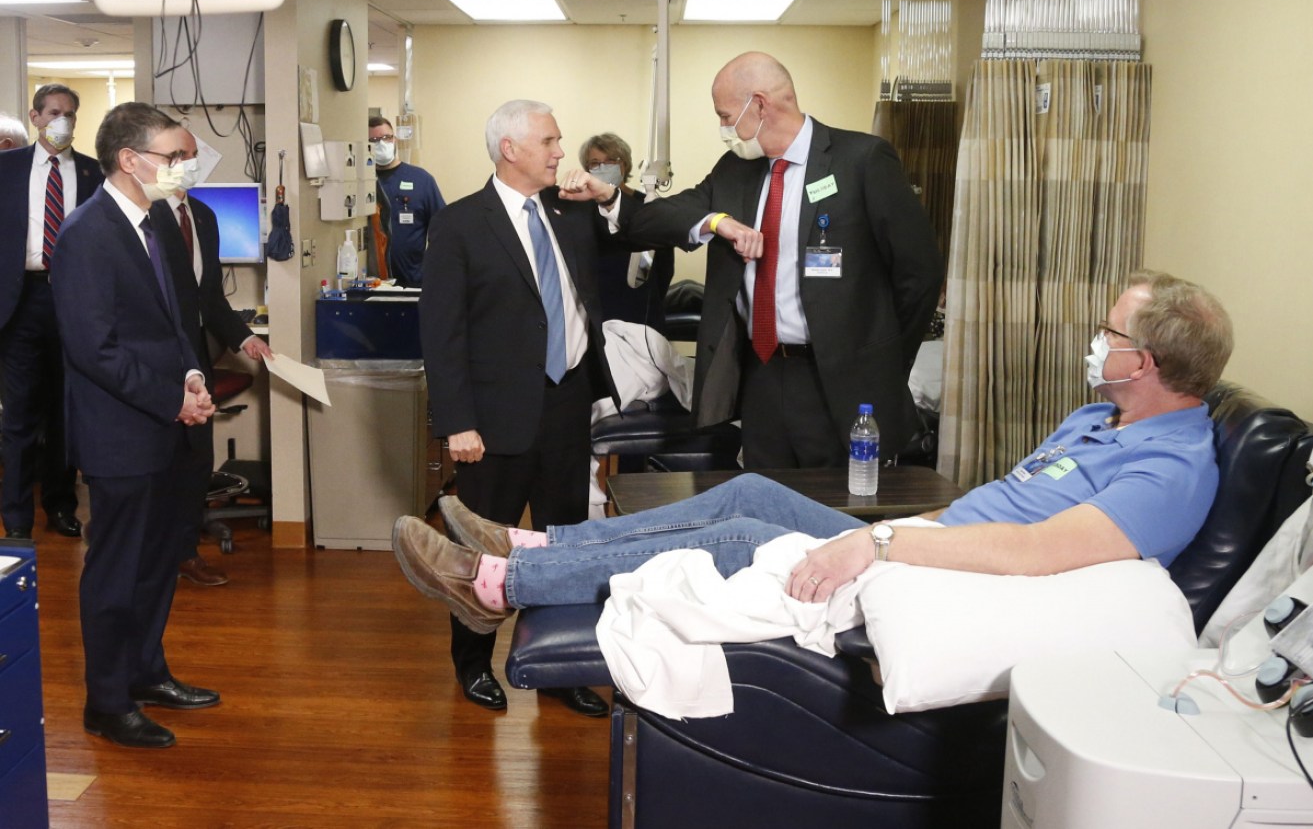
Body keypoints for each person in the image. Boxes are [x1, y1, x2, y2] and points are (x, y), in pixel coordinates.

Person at [395, 270, 1234, 627]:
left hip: (959, 588)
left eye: (1108, 332)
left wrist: (874, 542)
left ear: (1148, 361)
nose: (1095, 342)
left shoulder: (1169, 467)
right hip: (933, 548)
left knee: (734, 544)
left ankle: (500, 587)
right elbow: (987, 508)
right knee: (746, 494)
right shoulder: (1097, 421)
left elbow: (1031, 552)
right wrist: (911, 529)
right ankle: (537, 541)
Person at [419, 99, 637, 718]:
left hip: (566, 402)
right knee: (485, 550)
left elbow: (636, 230)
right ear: (509, 148)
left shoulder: (571, 214)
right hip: (491, 419)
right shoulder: (460, 223)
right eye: (549, 141)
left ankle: (556, 667)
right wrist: (456, 421)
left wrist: (608, 194)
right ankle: (472, 663)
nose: (560, 153)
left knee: (562, 542)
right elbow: (443, 333)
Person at [630, 52, 943, 469]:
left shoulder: (861, 160)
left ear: (759, 105)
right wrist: (718, 222)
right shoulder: (735, 170)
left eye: (726, 116)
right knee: (766, 501)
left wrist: (882, 358)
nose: (724, 128)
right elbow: (653, 219)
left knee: (836, 513)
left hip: (840, 380)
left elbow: (919, 273)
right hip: (763, 372)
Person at [52, 102, 221, 749]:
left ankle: (148, 672)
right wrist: (169, 398)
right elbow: (93, 350)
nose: (184, 168)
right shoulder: (87, 235)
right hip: (122, 432)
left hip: (170, 423)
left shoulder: (154, 222)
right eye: (174, 157)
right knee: (116, 571)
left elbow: (178, 321)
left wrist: (193, 379)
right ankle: (108, 700)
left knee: (158, 562)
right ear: (130, 160)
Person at [151, 126, 274, 587]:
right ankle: (157, 554)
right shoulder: (147, 217)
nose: (186, 162)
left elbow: (211, 298)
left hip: (196, 355)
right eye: (176, 154)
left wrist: (246, 340)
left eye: (191, 154)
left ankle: (185, 553)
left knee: (195, 460)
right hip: (158, 358)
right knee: (159, 461)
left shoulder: (202, 215)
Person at [0, 84, 104, 540]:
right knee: (19, 417)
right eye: (55, 113)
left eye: (70, 115)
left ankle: (60, 505)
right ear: (36, 117)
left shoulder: (93, 173)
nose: (62, 121)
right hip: (19, 300)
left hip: (74, 301)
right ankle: (16, 519)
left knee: (66, 412)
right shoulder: (6, 168)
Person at [579, 132, 673, 331]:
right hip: (595, 310)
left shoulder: (648, 206)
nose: (603, 167)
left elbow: (664, 267)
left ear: (625, 165)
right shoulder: (581, 210)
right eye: (595, 163)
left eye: (611, 161)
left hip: (641, 309)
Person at [367, 115, 445, 287]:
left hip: (414, 281)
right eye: (374, 140)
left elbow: (442, 229)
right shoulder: (363, 182)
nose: (381, 144)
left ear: (394, 139)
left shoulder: (421, 180)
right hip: (372, 283)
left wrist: (433, 270)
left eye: (386, 138)